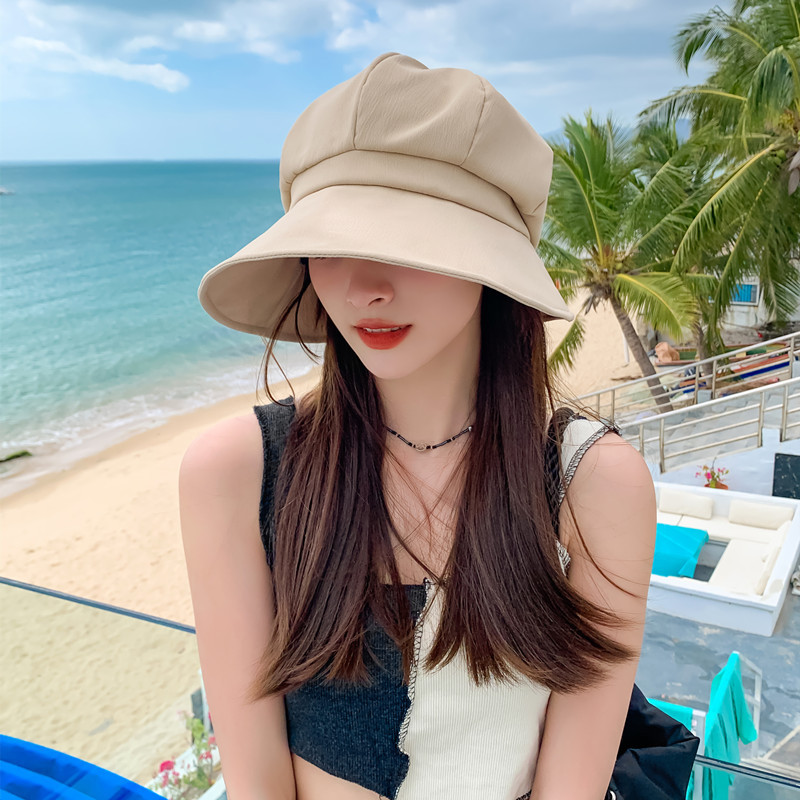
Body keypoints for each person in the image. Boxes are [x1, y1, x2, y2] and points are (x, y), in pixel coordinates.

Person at [179, 52, 657, 800]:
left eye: (410, 243)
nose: (364, 287)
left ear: (492, 262)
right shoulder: (237, 472)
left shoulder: (593, 485)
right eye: (332, 243)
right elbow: (257, 781)